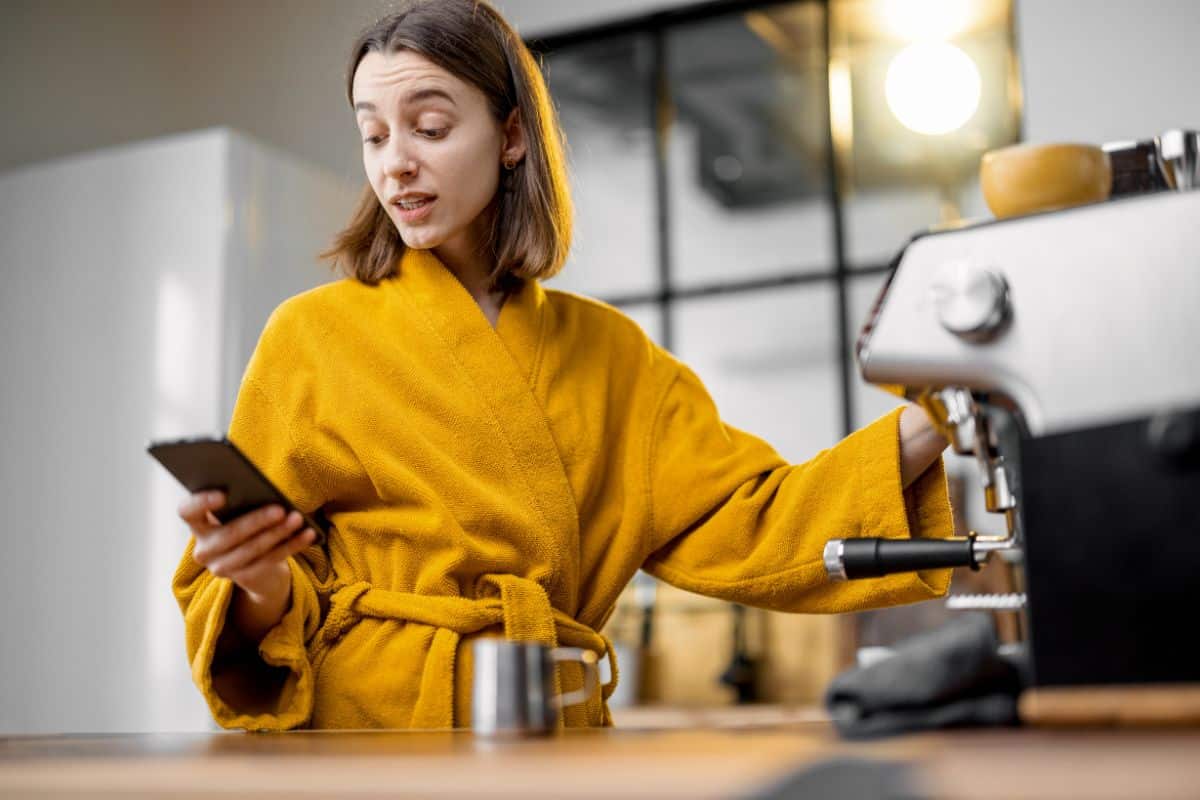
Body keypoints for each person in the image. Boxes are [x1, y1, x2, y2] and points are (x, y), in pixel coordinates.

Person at [173, 0, 954, 732]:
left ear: (512, 137)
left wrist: (938, 417)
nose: (396, 165)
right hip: (369, 734)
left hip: (550, 722)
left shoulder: (613, 357)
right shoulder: (309, 336)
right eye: (374, 136)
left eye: (431, 128)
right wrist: (258, 583)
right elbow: (244, 608)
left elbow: (758, 520)